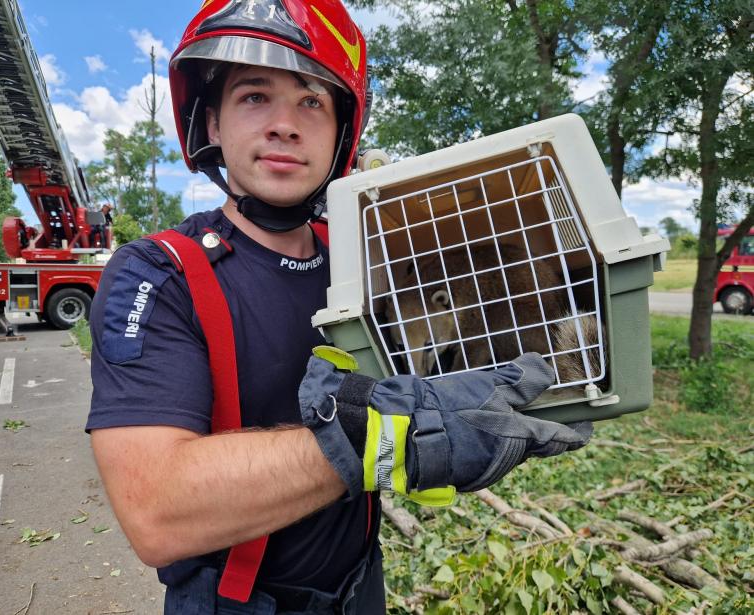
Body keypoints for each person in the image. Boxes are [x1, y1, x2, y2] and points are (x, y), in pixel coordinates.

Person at [85, 1, 592, 613]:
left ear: (341, 131)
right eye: (253, 96)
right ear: (211, 123)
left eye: (311, 101)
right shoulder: (161, 273)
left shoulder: (365, 262)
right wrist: (384, 437)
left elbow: (440, 371)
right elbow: (157, 512)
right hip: (240, 603)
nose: (284, 125)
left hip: (361, 586)